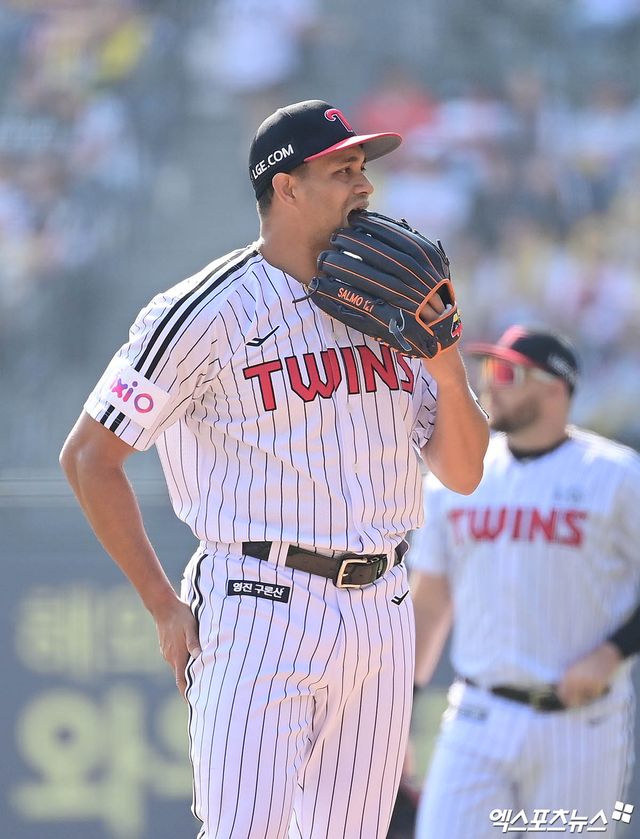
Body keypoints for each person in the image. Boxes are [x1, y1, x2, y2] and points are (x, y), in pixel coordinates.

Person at [59, 98, 488, 839]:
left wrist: (447, 362)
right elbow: (91, 458)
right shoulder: (201, 311)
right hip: (262, 602)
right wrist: (164, 605)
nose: (366, 186)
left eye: (364, 169)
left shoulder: (391, 301)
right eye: (343, 169)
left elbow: (465, 471)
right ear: (284, 186)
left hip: (383, 607)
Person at [409, 325, 640, 838]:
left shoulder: (618, 475)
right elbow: (430, 602)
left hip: (580, 724)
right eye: (489, 369)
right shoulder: (458, 478)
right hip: (475, 715)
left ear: (556, 386)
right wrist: (402, 713)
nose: (492, 384)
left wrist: (613, 652)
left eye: (509, 372)